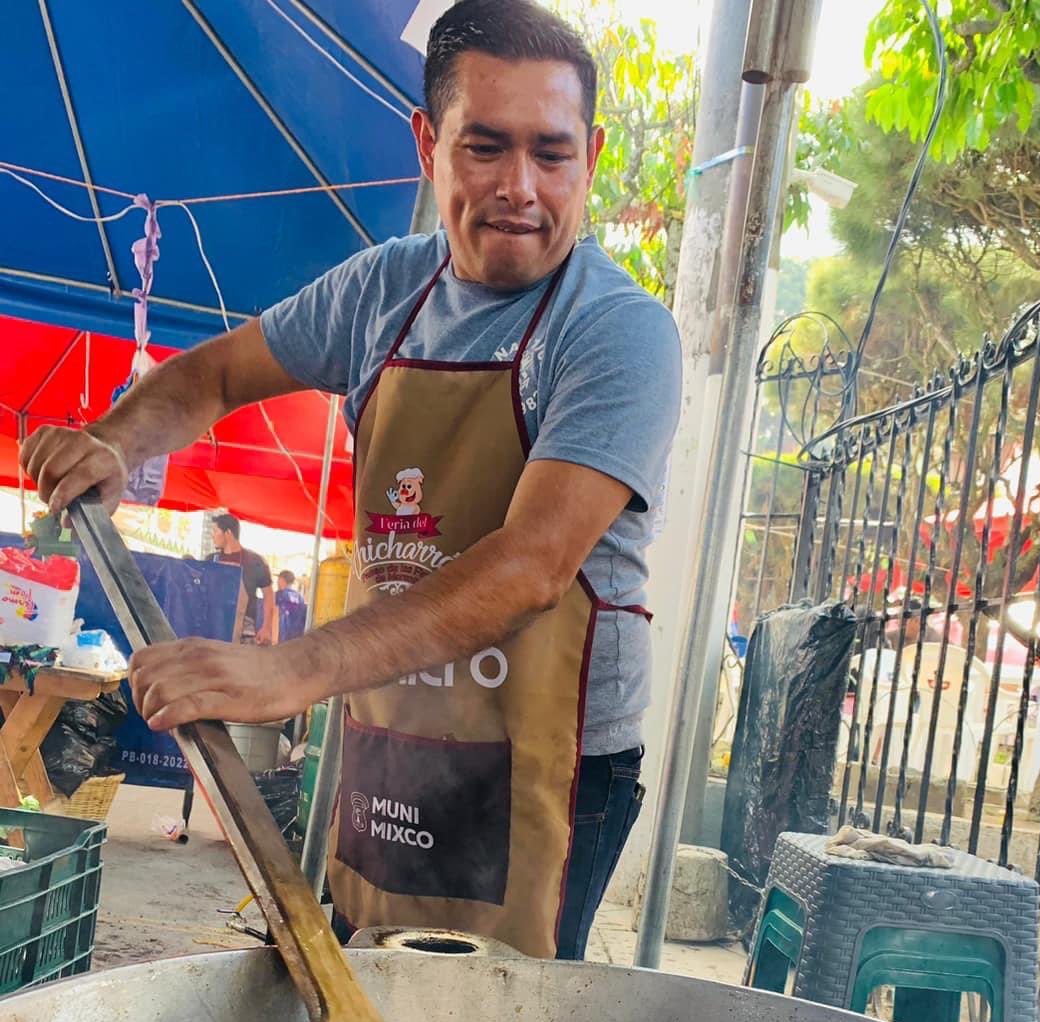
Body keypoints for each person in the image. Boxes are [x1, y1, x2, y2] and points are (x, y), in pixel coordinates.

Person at [20, 0, 683, 962]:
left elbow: (531, 565)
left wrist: (287, 670)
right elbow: (211, 374)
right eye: (485, 147)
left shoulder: (615, 332)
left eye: (551, 152)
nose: (521, 188)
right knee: (362, 981)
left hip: (548, 752)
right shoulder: (381, 291)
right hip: (396, 715)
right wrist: (118, 442)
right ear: (428, 142)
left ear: (593, 153)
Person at [210, 512, 276, 646]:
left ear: (227, 533)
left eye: (215, 531)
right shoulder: (210, 560)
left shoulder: (255, 562)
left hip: (244, 631)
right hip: (214, 626)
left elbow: (268, 595)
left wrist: (266, 628)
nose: (212, 535)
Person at [274, 569, 307, 644]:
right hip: (297, 638)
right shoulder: (300, 597)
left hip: (281, 637)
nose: (277, 582)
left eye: (278, 579)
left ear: (281, 579)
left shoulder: (278, 595)